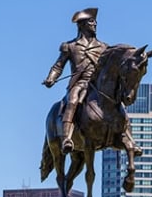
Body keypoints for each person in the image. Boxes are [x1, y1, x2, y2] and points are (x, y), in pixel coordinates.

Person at [43, 8, 108, 154]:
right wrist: (51, 78)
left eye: (95, 21)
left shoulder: (104, 47)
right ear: (82, 25)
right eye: (91, 21)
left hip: (97, 86)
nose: (95, 24)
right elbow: (58, 66)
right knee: (72, 100)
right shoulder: (70, 46)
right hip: (79, 83)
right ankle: (67, 138)